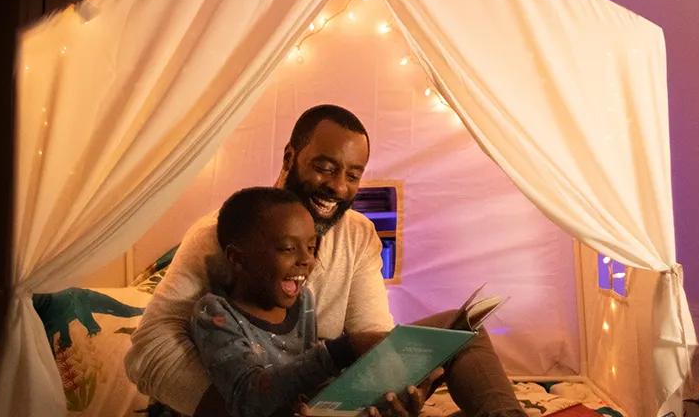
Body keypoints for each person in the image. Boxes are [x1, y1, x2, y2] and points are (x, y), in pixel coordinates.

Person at [126, 105, 524, 417]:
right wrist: (252, 411)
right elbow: (148, 351)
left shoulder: (358, 234)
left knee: (462, 328)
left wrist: (387, 392)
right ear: (290, 156)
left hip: (326, 398)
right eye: (325, 167)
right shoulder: (222, 234)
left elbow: (369, 335)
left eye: (353, 174)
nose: (338, 186)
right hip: (252, 403)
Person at [192, 187, 374, 417]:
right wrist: (340, 351)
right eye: (288, 248)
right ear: (237, 258)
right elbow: (249, 397)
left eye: (311, 247)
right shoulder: (215, 313)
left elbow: (310, 386)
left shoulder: (304, 301)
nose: (307, 259)